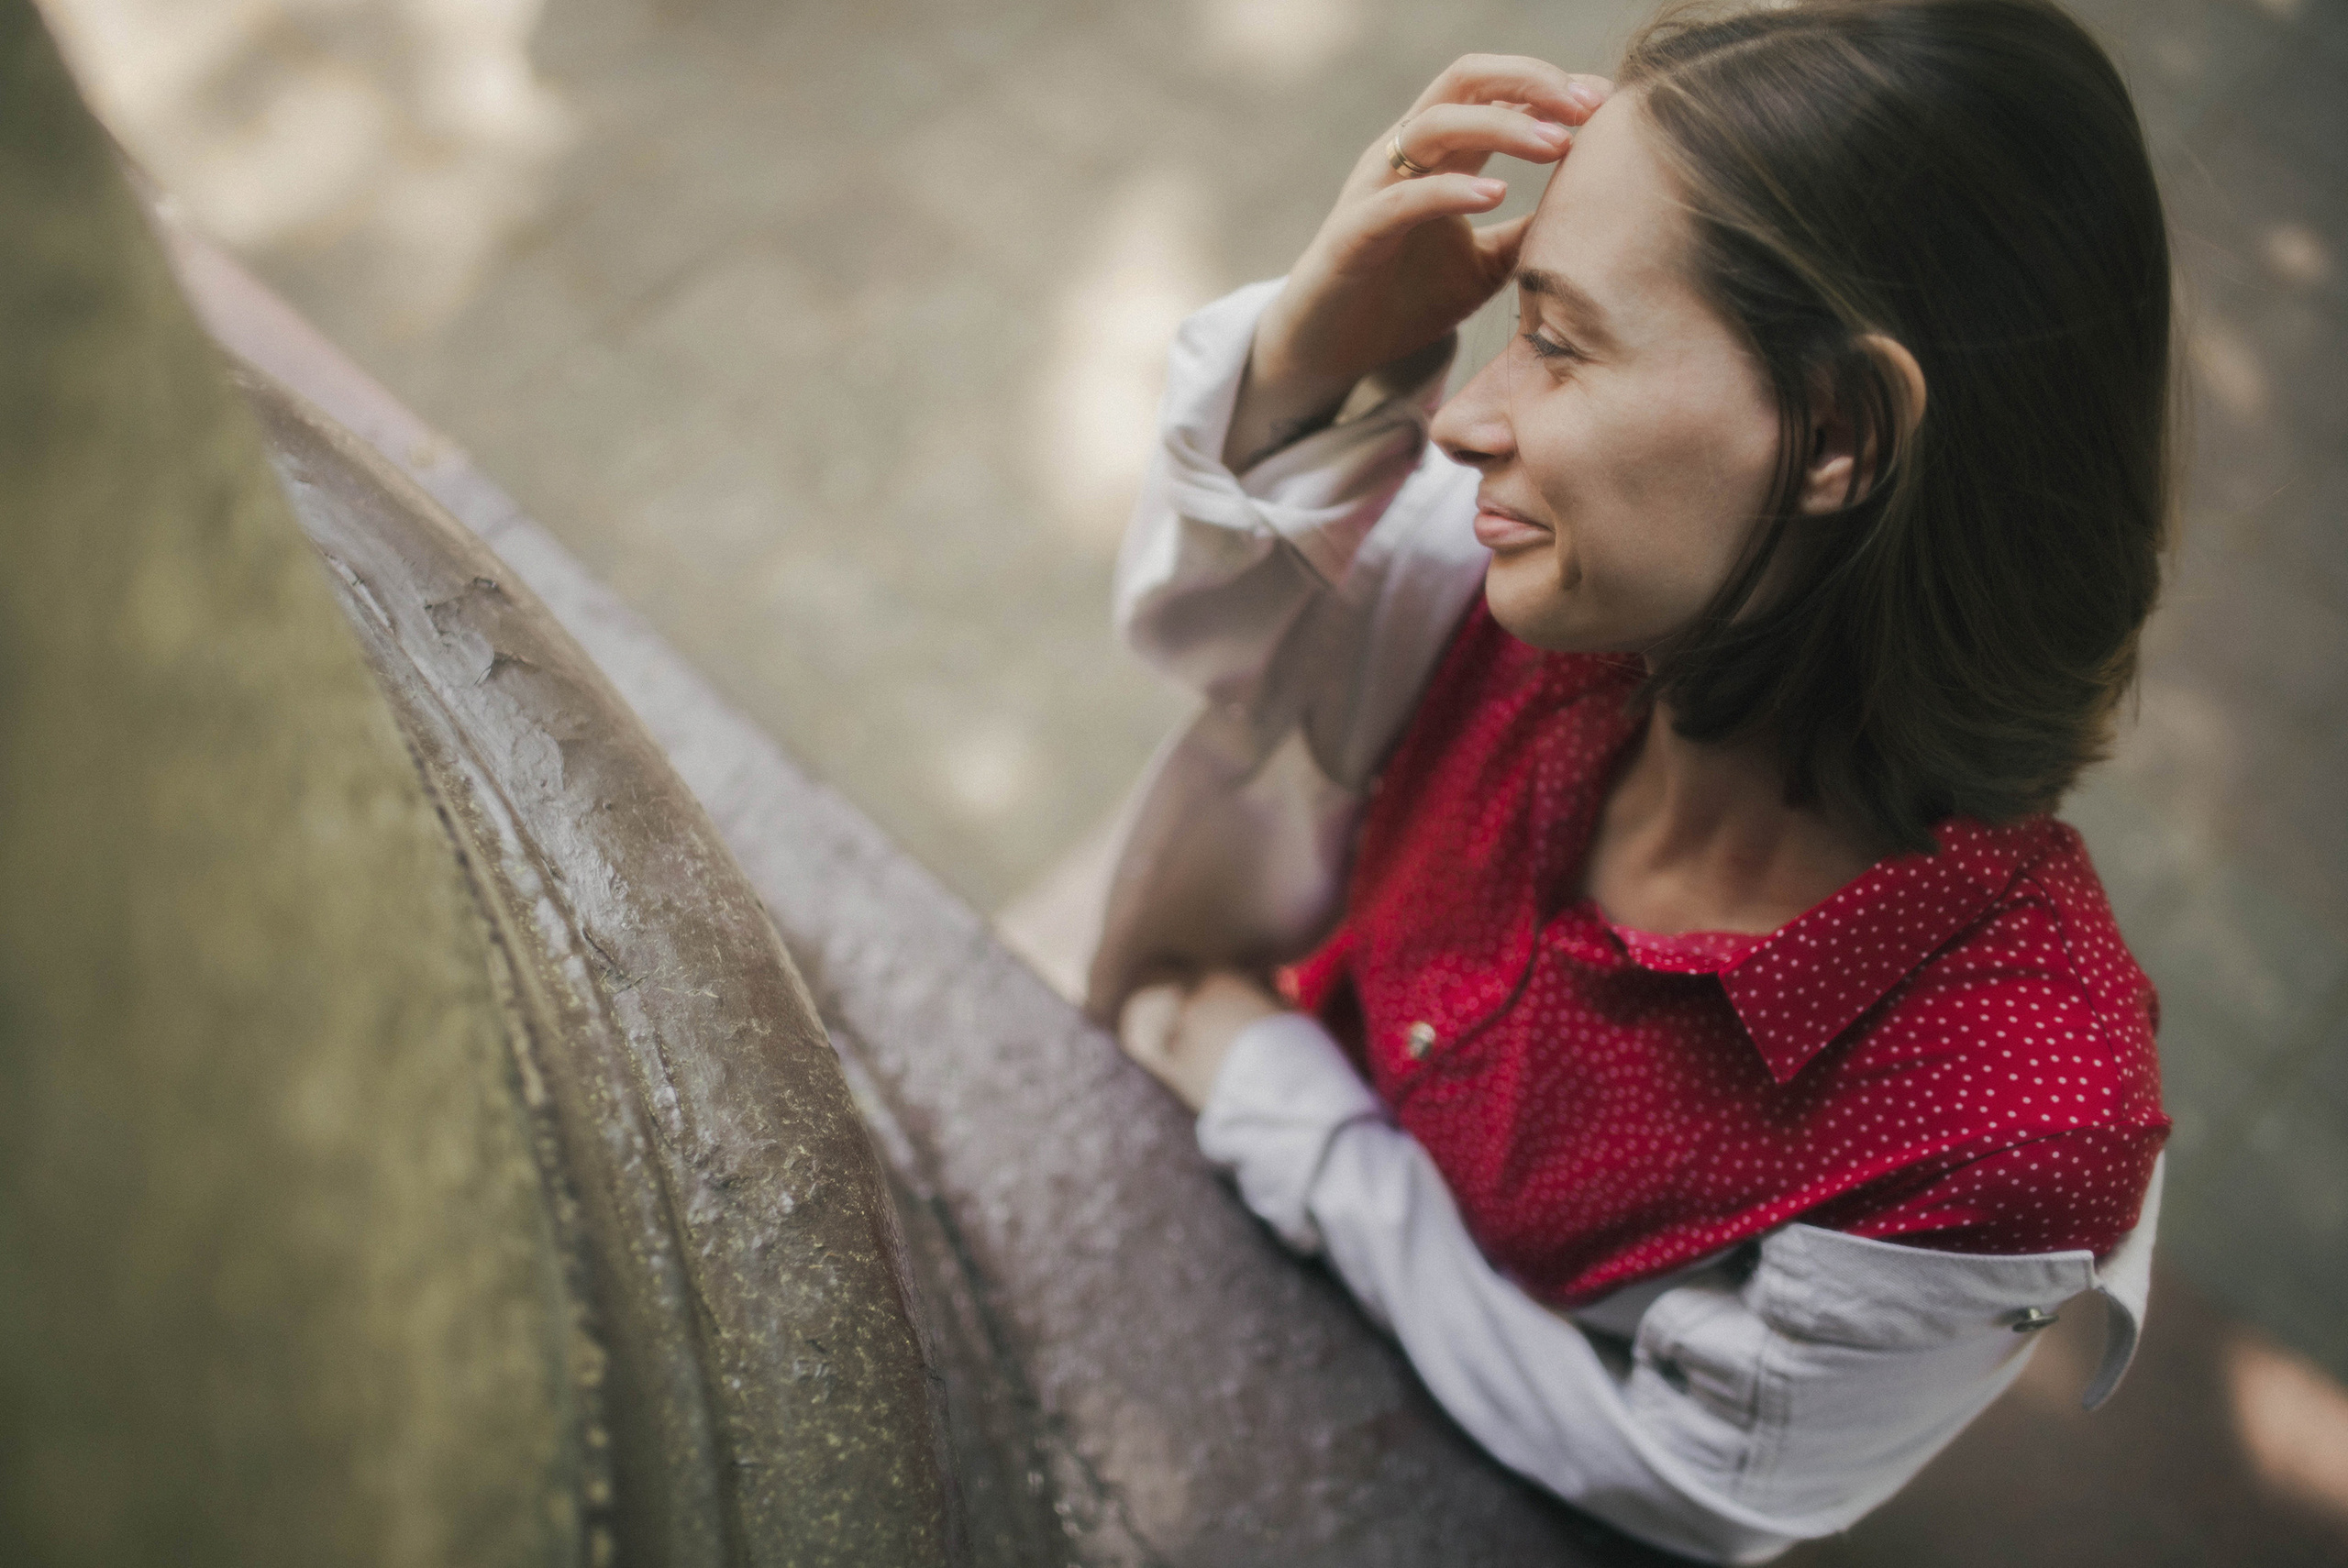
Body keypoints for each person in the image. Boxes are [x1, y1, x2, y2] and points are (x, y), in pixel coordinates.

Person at [1092, 0, 2177, 1560]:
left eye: (1559, 337)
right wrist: (1311, 355)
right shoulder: (1554, 616)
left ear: (1839, 434)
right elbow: (1207, 631)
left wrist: (1279, 1101)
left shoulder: (2009, 1113)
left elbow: (1701, 1482)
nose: (1464, 415)